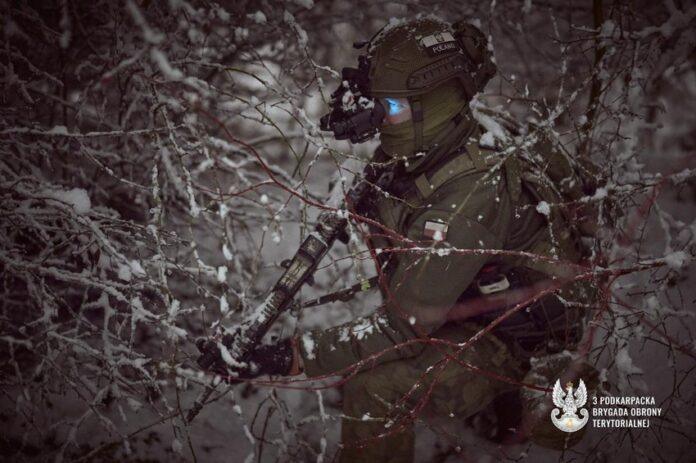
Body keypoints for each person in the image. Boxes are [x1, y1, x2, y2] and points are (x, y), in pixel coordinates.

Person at [198, 16, 599, 462]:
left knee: (375, 388)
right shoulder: (442, 137)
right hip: (474, 298)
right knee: (368, 354)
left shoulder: (469, 191)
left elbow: (401, 327)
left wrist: (284, 358)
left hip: (516, 339)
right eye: (378, 102)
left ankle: (507, 401)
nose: (380, 117)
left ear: (437, 103)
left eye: (391, 106)